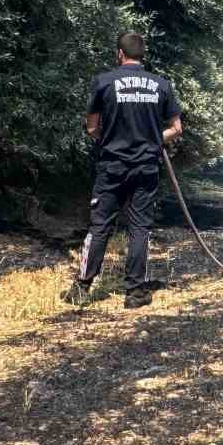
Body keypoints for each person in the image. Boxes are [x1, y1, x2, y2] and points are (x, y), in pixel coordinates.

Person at [65, 32, 182, 308]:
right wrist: (154, 137)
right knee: (140, 228)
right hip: (146, 168)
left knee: (100, 226)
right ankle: (135, 293)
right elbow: (176, 129)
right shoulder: (161, 85)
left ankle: (81, 289)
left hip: (112, 166)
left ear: (120, 54)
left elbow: (92, 128)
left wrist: (113, 137)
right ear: (143, 55)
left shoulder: (104, 82)